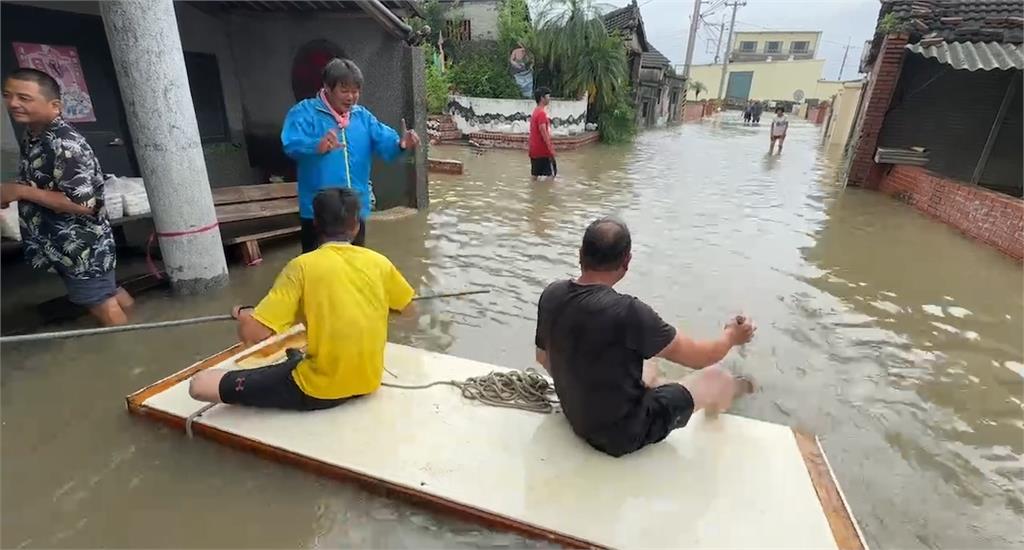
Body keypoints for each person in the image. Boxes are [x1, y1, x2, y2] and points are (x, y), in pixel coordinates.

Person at [534, 218, 756, 457]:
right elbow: (701, 358)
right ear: (627, 262)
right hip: (622, 435)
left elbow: (543, 358)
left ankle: (657, 388)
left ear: (580, 254)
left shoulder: (552, 294)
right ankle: (725, 399)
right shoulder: (629, 312)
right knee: (716, 377)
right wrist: (732, 336)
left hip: (576, 417)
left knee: (648, 361)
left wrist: (585, 388)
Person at [189, 188, 416, 410]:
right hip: (368, 382)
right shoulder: (380, 262)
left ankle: (300, 368)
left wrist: (245, 317)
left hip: (318, 390)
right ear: (356, 226)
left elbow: (253, 335)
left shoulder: (301, 267)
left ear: (315, 223)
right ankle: (298, 362)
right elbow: (409, 312)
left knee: (199, 385)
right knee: (298, 357)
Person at [1, 68, 133, 326]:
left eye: (24, 98)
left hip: (82, 245)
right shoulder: (34, 134)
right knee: (106, 290)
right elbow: (45, 180)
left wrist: (20, 191)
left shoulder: (65, 144)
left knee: (98, 300)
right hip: (59, 240)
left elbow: (83, 205)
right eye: (8, 95)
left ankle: (129, 350)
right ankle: (137, 322)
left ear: (55, 106)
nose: (13, 103)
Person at [281, 58, 420, 252]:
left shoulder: (362, 116)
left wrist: (401, 144)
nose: (351, 97)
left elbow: (384, 141)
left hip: (354, 209)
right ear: (327, 88)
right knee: (318, 267)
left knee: (355, 263)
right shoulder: (304, 113)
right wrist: (316, 146)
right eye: (344, 90)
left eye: (355, 91)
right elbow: (290, 144)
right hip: (319, 210)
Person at [528, 87, 556, 181]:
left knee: (534, 176)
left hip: (534, 149)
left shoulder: (535, 112)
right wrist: (550, 149)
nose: (549, 98)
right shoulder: (541, 114)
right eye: (548, 96)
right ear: (542, 98)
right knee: (551, 176)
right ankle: (545, 194)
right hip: (542, 151)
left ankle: (534, 193)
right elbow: (543, 132)